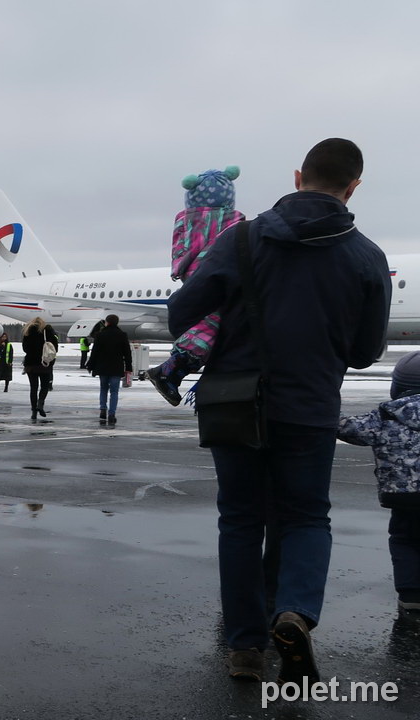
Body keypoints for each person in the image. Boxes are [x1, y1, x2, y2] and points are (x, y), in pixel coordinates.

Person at [168, 138, 391, 683]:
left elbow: (182, 313)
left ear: (297, 177)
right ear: (354, 186)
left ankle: (244, 647)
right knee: (306, 517)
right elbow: (365, 353)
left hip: (235, 403)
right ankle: (293, 612)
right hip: (310, 407)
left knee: (240, 520)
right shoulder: (367, 257)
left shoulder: (239, 239)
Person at [148, 166, 246, 406]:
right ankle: (170, 370)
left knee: (207, 323)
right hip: (216, 274)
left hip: (193, 274)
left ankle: (172, 371)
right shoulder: (234, 222)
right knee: (211, 325)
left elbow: (181, 251)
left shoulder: (184, 222)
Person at [337, 352, 420, 615]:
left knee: (404, 540)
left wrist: (325, 407)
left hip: (404, 498)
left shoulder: (385, 416)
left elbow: (348, 428)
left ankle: (411, 594)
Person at [85, 314, 132, 425]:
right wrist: (128, 367)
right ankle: (112, 414)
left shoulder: (100, 335)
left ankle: (102, 409)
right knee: (114, 392)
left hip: (102, 367)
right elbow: (127, 353)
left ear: (107, 322)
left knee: (103, 389)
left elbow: (94, 352)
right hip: (116, 367)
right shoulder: (122, 335)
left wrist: (90, 365)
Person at [21, 317, 58, 422]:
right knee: (44, 386)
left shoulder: (27, 331)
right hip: (44, 363)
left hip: (31, 364)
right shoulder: (47, 330)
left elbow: (25, 348)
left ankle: (33, 411)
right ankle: (40, 404)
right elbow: (54, 346)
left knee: (33, 388)